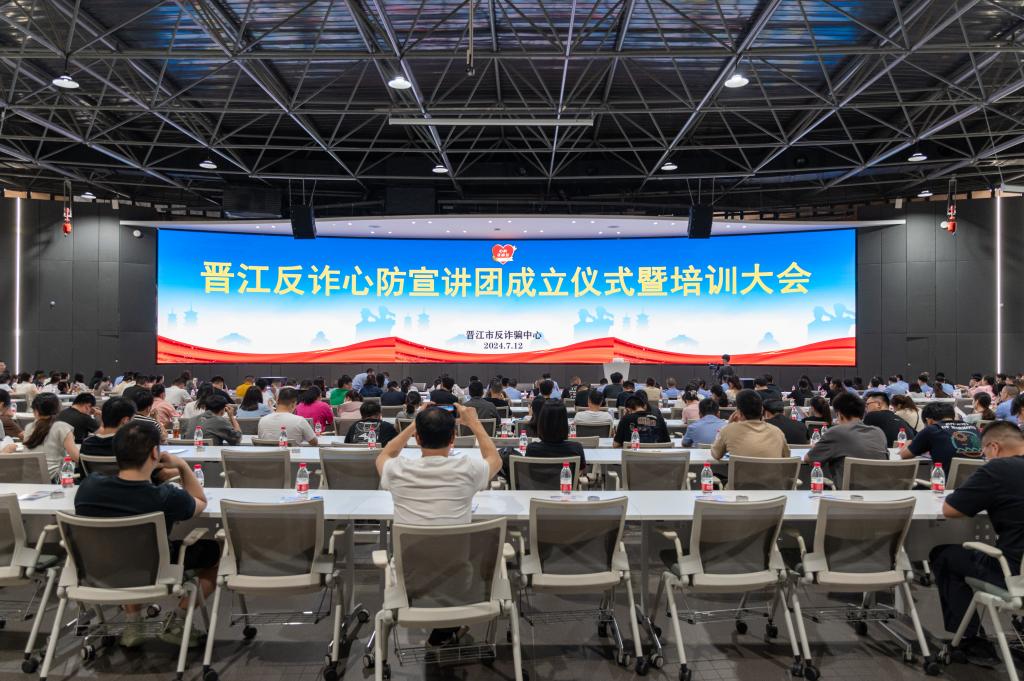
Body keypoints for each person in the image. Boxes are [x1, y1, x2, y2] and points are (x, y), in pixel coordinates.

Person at [74, 421, 218, 647]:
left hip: (98, 570)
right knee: (217, 553)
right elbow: (200, 501)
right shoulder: (166, 496)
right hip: (154, 571)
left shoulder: (89, 487)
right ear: (154, 453)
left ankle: (133, 624)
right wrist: (182, 466)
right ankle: (177, 621)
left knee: (123, 547)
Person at [930, 422, 1024, 666]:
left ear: (994, 447)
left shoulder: (998, 469)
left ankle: (971, 641)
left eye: (985, 453)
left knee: (945, 555)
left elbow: (950, 510)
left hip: (1014, 575)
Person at [377, 404, 500, 526]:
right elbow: (495, 459)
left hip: (408, 540)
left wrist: (414, 424)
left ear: (417, 439)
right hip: (457, 539)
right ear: (453, 438)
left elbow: (384, 455)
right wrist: (474, 423)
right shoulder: (469, 469)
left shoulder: (397, 470)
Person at [804, 393, 888, 484]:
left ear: (839, 414)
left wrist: (816, 447)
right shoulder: (878, 432)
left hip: (849, 492)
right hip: (882, 490)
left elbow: (809, 459)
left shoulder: (836, 432)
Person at [504, 402, 586, 482]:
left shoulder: (532, 449)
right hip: (565, 490)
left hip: (536, 489)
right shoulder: (576, 448)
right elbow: (579, 473)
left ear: (541, 423)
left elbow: (529, 473)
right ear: (565, 423)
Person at [2, 393, 78, 478]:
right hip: (54, 480)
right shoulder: (62, 427)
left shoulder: (28, 428)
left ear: (36, 411)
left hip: (29, 480)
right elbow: (76, 457)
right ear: (58, 409)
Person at [898, 402, 982, 470]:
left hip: (945, 483)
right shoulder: (974, 428)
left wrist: (909, 442)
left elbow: (904, 455)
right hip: (979, 481)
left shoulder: (932, 429)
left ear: (929, 421)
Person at [710, 390, 789, 460]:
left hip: (740, 473)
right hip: (772, 473)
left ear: (739, 413)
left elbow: (715, 454)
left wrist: (728, 425)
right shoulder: (777, 432)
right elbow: (787, 456)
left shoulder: (728, 431)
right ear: (762, 410)